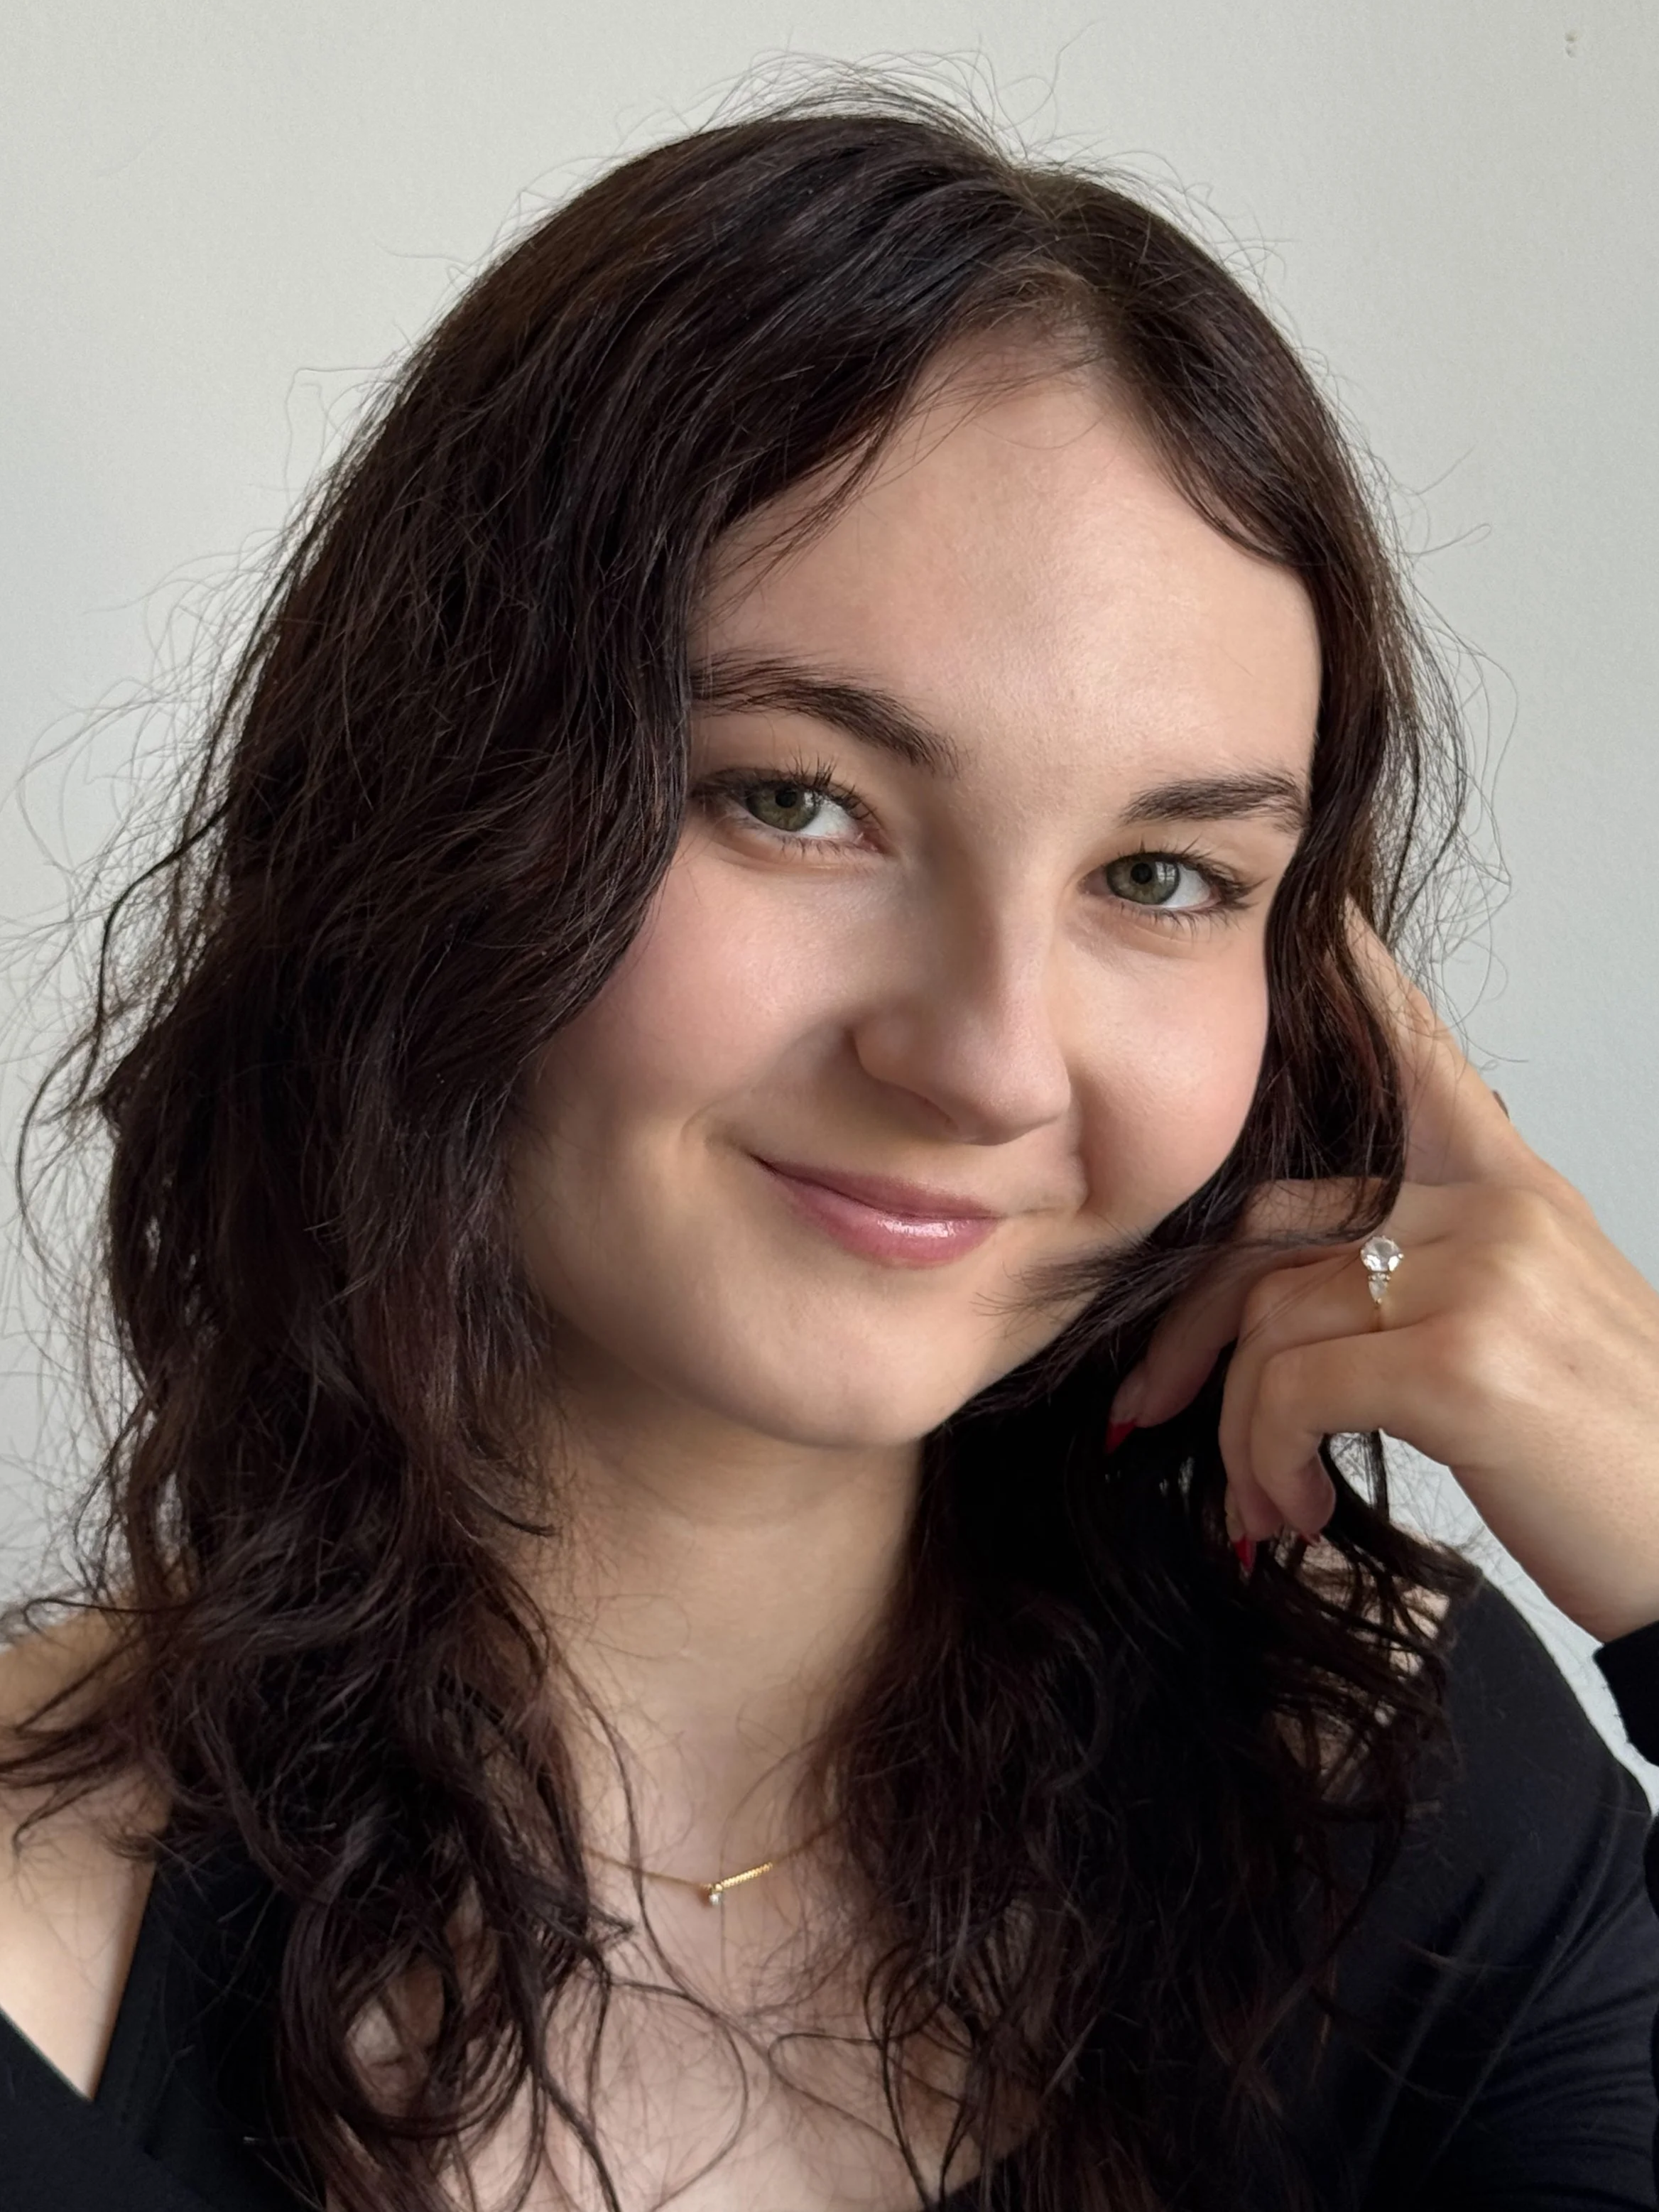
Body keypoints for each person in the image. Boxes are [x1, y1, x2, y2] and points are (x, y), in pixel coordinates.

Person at [2, 87, 1658, 2212]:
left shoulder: (1393, 1816)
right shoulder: (38, 1969)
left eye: (1160, 877)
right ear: (432, 811)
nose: (987, 1062)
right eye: (798, 801)